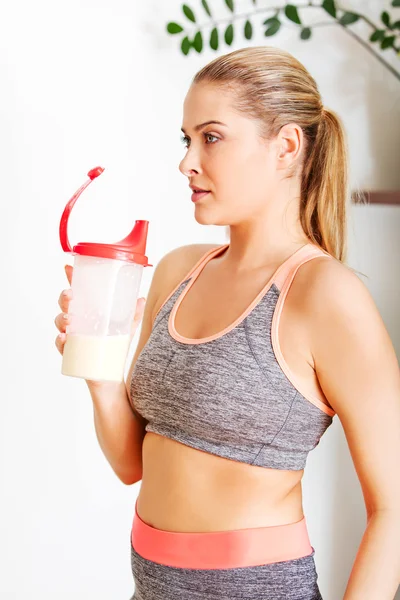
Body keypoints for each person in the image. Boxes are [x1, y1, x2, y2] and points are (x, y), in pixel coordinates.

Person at [55, 46, 400, 600]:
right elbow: (130, 464)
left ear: (286, 147)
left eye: (210, 137)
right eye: (186, 139)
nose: (187, 161)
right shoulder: (177, 270)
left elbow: (393, 510)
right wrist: (101, 374)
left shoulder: (325, 294)